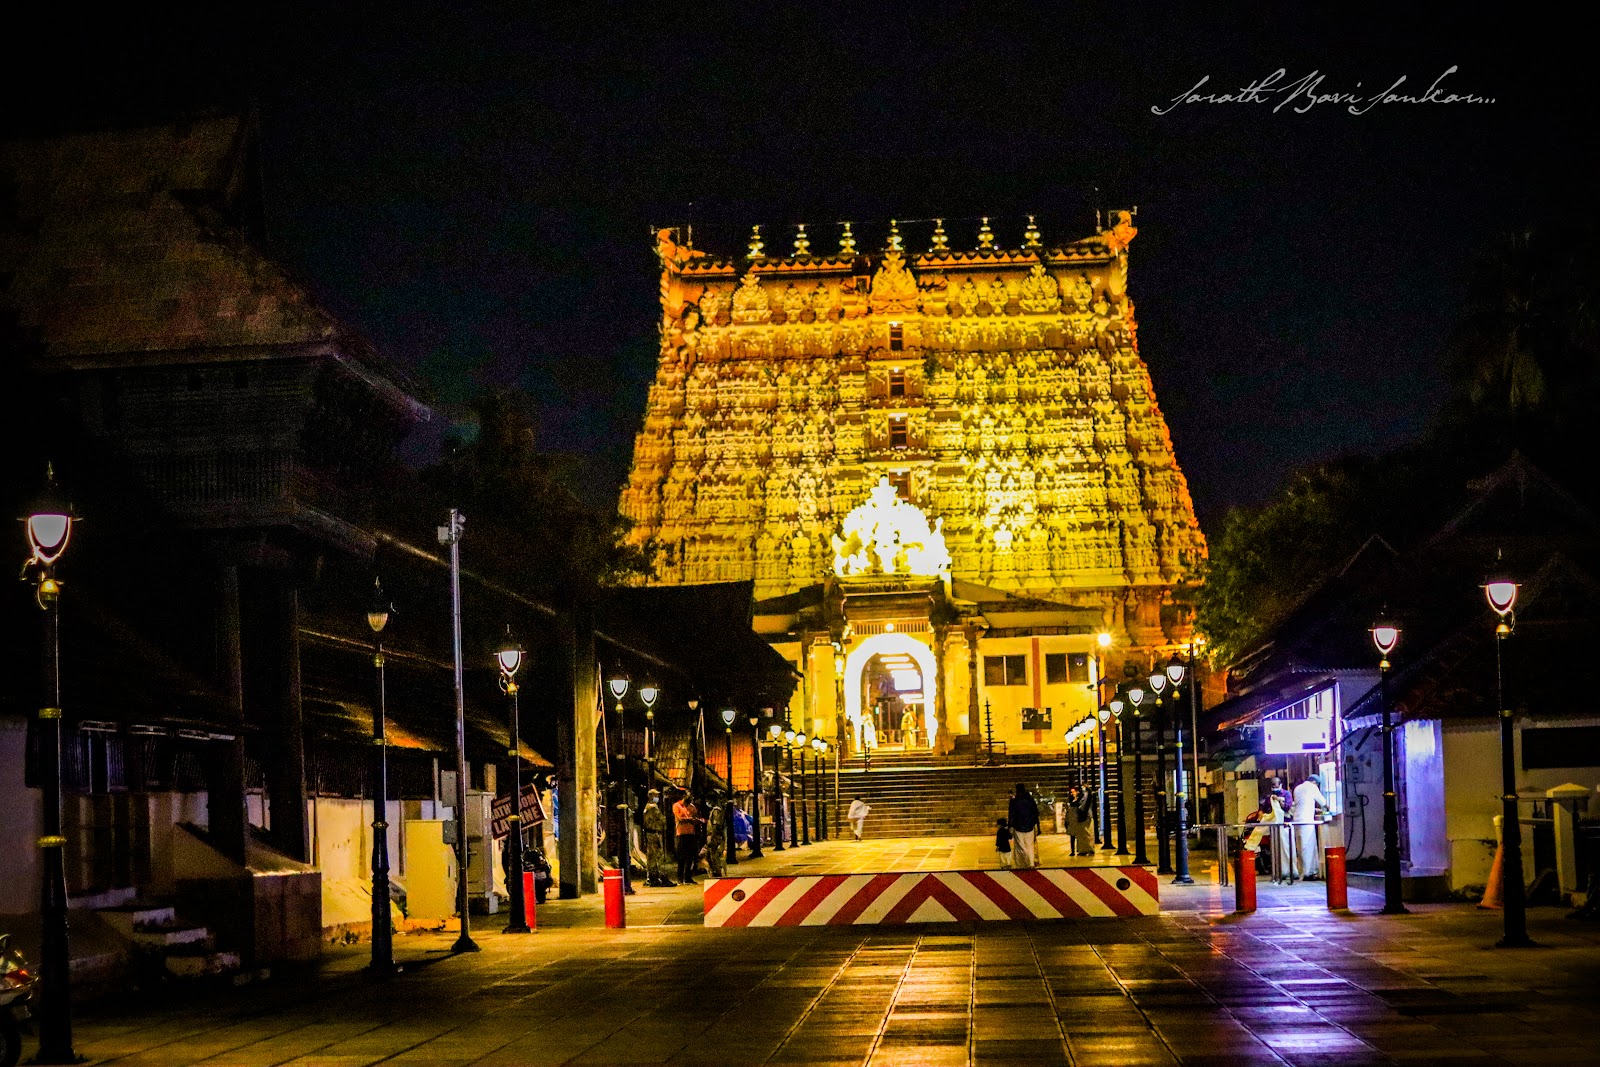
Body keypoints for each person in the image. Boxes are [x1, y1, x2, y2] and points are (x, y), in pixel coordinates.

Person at [1291, 775, 1328, 879]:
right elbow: (1323, 802)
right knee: (1308, 846)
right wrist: (1330, 807)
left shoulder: (1298, 788)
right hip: (1306, 820)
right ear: (1314, 782)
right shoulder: (1312, 787)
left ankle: (1303, 871)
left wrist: (1315, 810)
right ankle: (1308, 873)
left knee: (1300, 846)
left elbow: (1303, 803)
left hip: (1297, 820)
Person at [642, 789, 673, 887]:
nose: (657, 797)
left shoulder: (646, 808)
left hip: (649, 834)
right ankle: (662, 877)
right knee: (659, 856)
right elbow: (662, 820)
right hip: (655, 834)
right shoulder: (653, 808)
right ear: (650, 796)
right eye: (656, 795)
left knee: (651, 857)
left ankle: (653, 878)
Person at [1008, 783, 1041, 869]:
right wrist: (1038, 825)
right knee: (1030, 845)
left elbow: (1011, 815)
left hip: (1018, 826)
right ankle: (1030, 863)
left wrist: (1010, 827)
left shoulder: (1014, 801)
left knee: (1020, 846)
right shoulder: (1030, 800)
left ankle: (1021, 863)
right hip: (1030, 826)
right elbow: (1036, 813)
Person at [672, 790, 700, 885]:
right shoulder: (677, 806)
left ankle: (688, 877)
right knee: (681, 857)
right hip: (681, 834)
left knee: (690, 857)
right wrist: (689, 819)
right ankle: (679, 877)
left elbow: (695, 817)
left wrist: (695, 820)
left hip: (691, 833)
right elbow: (679, 818)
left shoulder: (692, 807)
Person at [706, 801, 728, 879]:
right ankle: (716, 870)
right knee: (714, 855)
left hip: (714, 836)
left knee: (714, 855)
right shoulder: (718, 810)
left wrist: (712, 836)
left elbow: (716, 824)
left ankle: (717, 871)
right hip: (716, 836)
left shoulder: (716, 810)